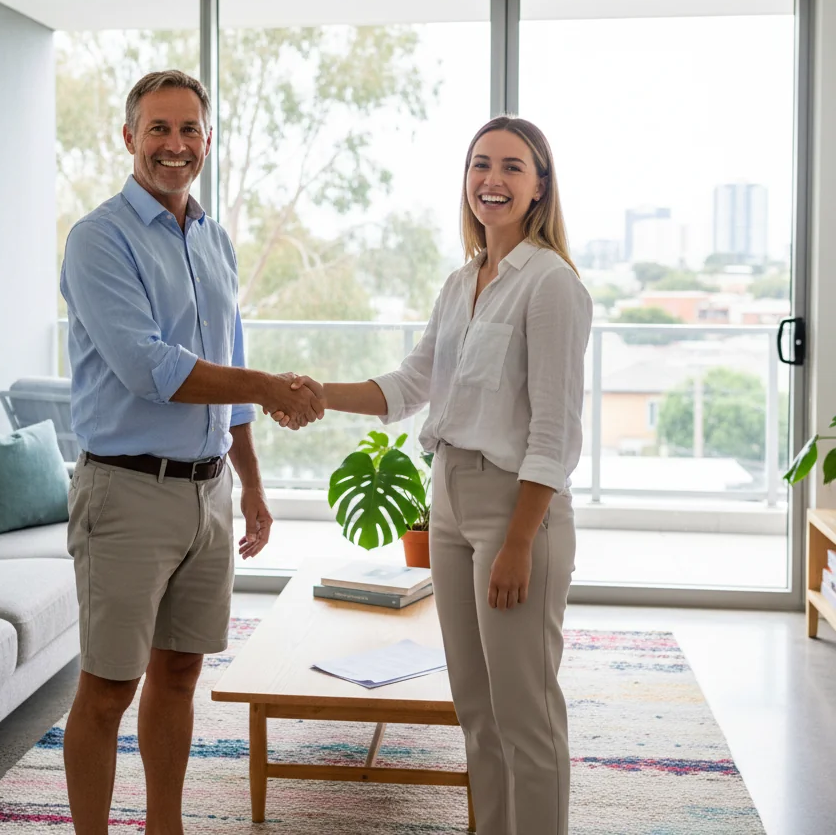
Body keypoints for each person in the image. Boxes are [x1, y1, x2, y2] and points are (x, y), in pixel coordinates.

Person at [278, 116, 592, 835]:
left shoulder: (551, 285)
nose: (492, 179)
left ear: (540, 186)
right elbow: (409, 385)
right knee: (476, 708)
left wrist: (519, 541)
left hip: (516, 508)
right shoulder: (460, 283)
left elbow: (555, 432)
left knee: (526, 712)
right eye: (481, 164)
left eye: (512, 167)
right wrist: (319, 394)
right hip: (447, 498)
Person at [60, 69, 325, 835]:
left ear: (207, 141)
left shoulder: (214, 239)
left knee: (178, 675)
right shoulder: (98, 239)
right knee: (109, 689)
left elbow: (225, 371)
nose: (174, 145)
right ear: (129, 137)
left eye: (189, 130)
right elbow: (151, 368)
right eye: (159, 129)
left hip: (209, 494)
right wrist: (270, 385)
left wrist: (252, 485)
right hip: (126, 494)